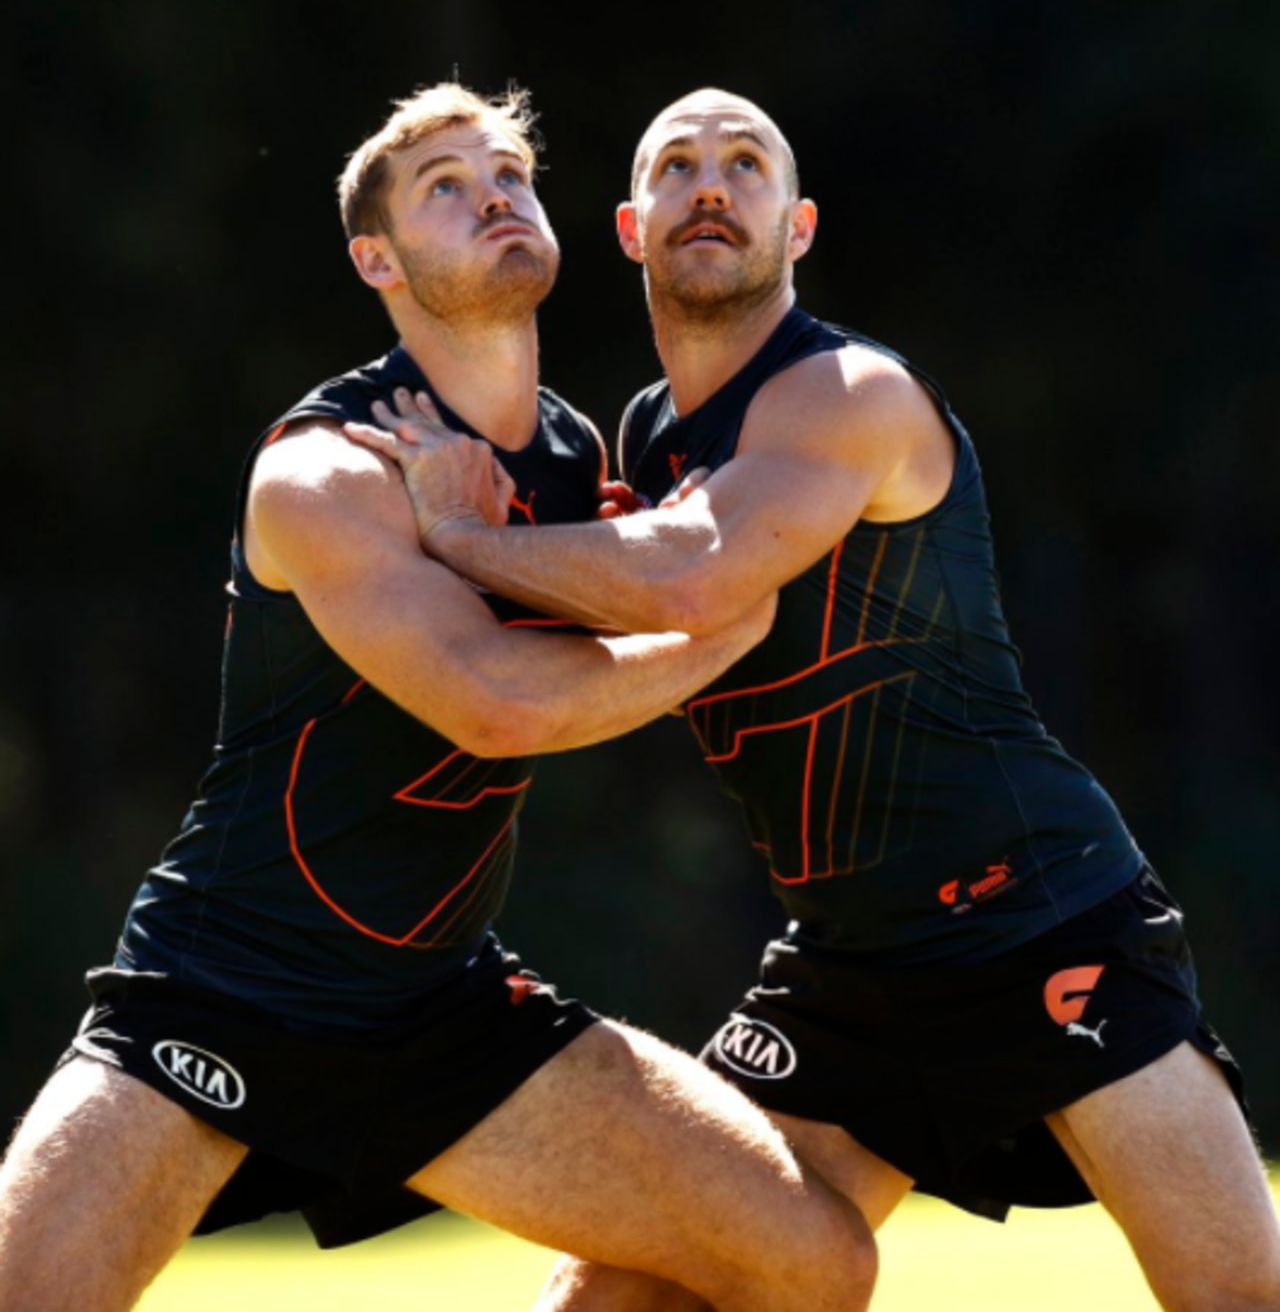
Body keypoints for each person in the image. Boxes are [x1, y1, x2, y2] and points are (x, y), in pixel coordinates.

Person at [348, 87, 1280, 1312]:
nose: (711, 184)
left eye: (746, 163)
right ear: (631, 229)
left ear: (798, 227)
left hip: (1040, 915)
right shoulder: (642, 434)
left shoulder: (846, 391)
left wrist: (459, 535)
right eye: (675, 166)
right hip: (850, 961)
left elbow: (694, 569)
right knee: (630, 1290)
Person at [0, 83, 879, 1312]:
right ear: (379, 258)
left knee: (812, 1262)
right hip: (227, 980)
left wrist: (528, 551)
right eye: (446, 189)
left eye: (509, 175)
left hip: (434, 1005)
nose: (496, 198)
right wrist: (716, 630)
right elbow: (494, 704)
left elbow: (684, 567)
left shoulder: (582, 465)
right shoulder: (322, 471)